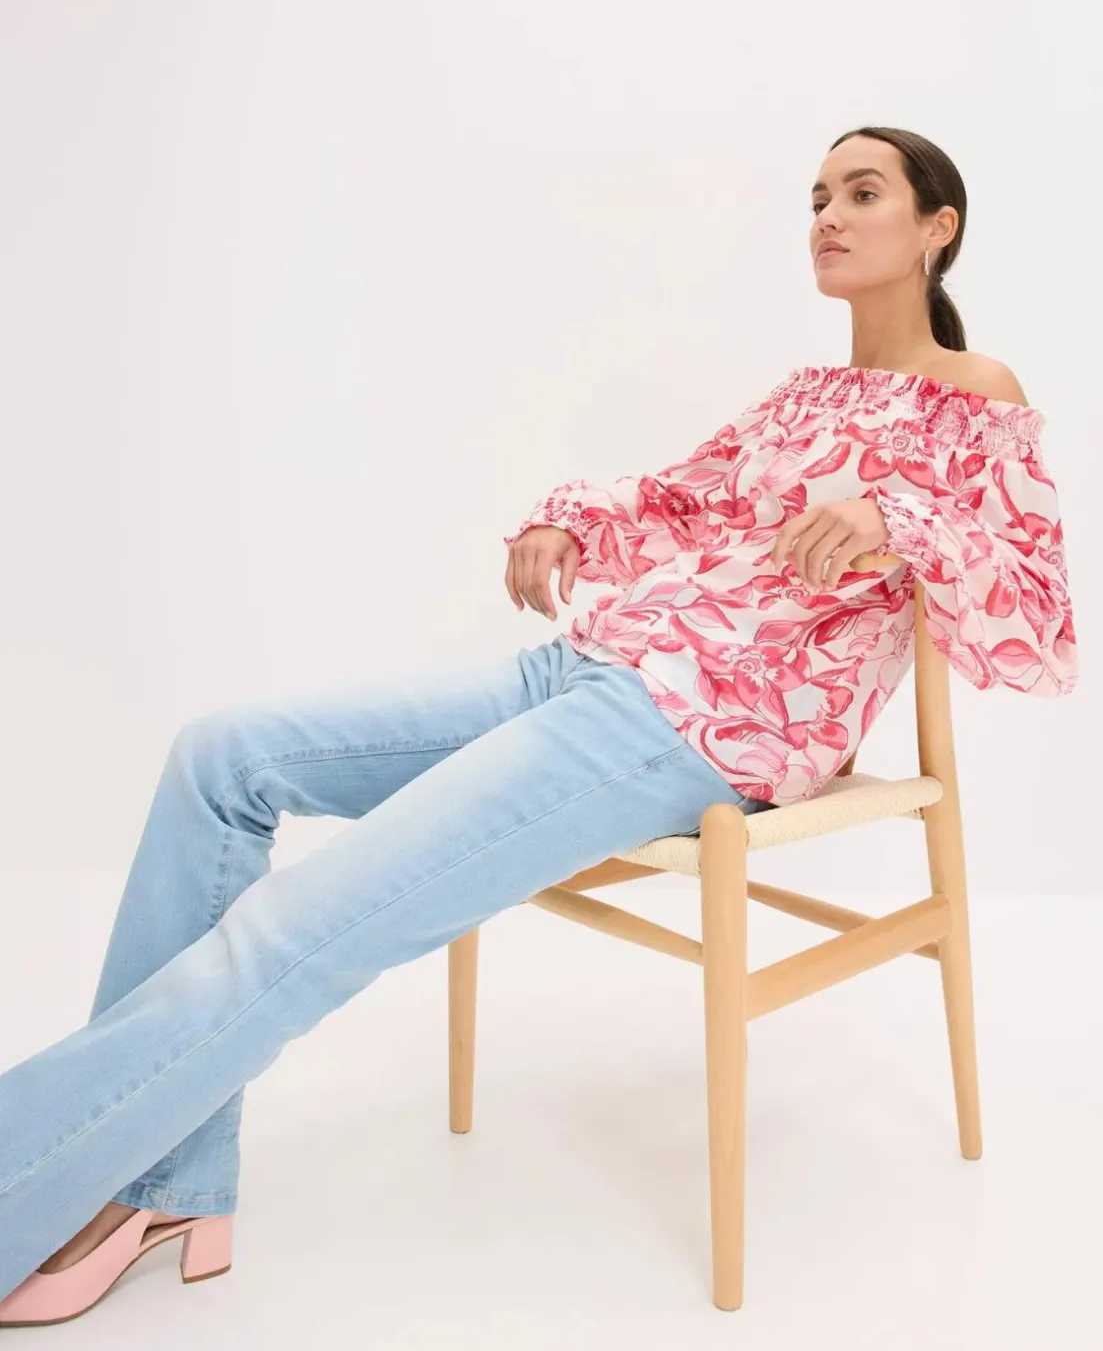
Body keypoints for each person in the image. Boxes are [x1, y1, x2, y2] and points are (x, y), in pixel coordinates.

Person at [0, 125, 1078, 1322]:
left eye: (861, 192)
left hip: (697, 720)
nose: (825, 213)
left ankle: (28, 1192)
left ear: (936, 227)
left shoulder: (975, 394)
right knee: (222, 754)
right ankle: (158, 1185)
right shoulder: (799, 397)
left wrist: (898, 525)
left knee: (299, 925)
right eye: (816, 194)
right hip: (582, 668)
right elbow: (674, 499)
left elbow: (1033, 617)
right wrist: (567, 517)